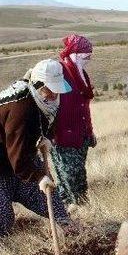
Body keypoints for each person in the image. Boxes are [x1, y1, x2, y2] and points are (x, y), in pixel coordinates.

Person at [0, 59, 72, 245]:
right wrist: (39, 175)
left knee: (48, 195)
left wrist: (47, 137)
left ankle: (68, 229)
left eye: (57, 89)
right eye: (51, 89)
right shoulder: (21, 109)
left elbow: (48, 119)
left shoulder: (45, 98)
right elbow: (18, 159)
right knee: (0, 217)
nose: (55, 94)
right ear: (38, 85)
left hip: (20, 150)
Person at [50, 34, 96, 208]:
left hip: (81, 135)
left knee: (77, 175)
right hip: (62, 136)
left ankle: (74, 212)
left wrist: (90, 131)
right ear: (74, 53)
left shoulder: (81, 73)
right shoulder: (59, 72)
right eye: (85, 54)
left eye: (89, 54)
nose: (88, 57)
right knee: (69, 176)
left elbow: (84, 106)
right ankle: (74, 211)